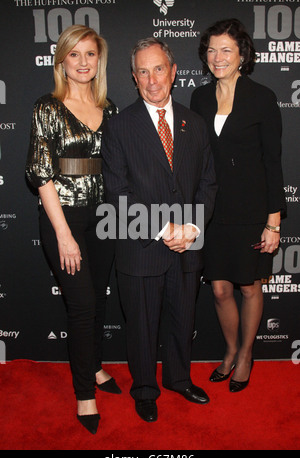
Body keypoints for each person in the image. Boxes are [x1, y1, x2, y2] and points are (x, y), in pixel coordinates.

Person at [101, 37, 217, 422]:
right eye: (143, 72)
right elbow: (117, 191)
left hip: (188, 245)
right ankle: (145, 389)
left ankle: (180, 379)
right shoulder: (118, 127)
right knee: (142, 325)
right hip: (141, 247)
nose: (153, 80)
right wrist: (163, 227)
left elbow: (208, 183)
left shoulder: (194, 123)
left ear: (173, 71)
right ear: (134, 78)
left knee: (184, 319)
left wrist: (192, 228)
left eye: (159, 69)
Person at [26, 25, 121, 435]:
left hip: (104, 218)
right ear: (62, 60)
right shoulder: (47, 107)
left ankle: (96, 367)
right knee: (81, 308)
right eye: (75, 55)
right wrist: (63, 234)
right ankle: (85, 393)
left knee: (97, 301)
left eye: (90, 54)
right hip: (64, 218)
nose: (83, 62)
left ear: (99, 61)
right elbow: (42, 175)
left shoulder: (112, 109)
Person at [190, 19, 286, 392]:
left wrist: (273, 221)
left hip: (252, 212)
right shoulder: (199, 97)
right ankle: (229, 350)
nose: (218, 57)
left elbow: (272, 162)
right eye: (212, 50)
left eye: (226, 50)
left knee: (248, 287)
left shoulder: (261, 97)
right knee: (218, 289)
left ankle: (246, 354)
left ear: (243, 55)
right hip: (212, 211)